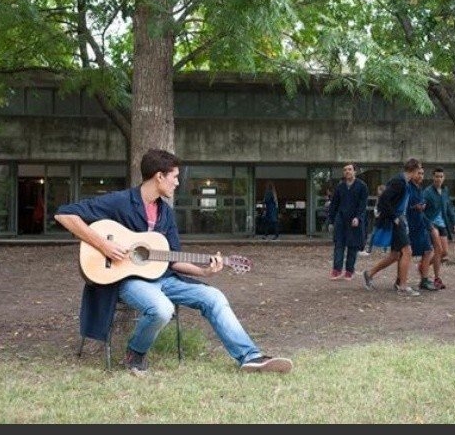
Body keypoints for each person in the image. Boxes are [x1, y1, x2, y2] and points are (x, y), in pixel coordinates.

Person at [55, 149, 292, 375]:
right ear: (159, 176)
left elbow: (173, 260)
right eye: (175, 177)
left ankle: (250, 357)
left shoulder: (165, 213)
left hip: (163, 278)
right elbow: (64, 214)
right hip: (127, 280)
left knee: (214, 297)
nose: (177, 183)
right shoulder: (121, 202)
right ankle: (134, 354)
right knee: (162, 309)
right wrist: (103, 244)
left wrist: (206, 272)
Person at [362, 158, 422, 297]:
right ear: (414, 169)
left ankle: (369, 273)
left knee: (395, 255)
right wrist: (394, 218)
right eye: (419, 170)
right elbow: (383, 199)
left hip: (399, 220)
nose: (420, 172)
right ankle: (403, 286)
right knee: (407, 251)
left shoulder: (404, 182)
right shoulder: (399, 182)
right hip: (397, 221)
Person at [327, 162, 369, 280]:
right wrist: (331, 220)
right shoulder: (340, 187)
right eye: (345, 170)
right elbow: (334, 204)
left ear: (355, 171)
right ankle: (336, 270)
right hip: (341, 219)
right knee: (339, 244)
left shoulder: (362, 186)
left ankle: (349, 271)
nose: (347, 172)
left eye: (349, 169)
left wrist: (358, 217)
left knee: (352, 246)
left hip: (354, 220)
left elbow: (362, 204)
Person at [423, 167, 455, 289]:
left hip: (443, 224)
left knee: (444, 252)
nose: (439, 179)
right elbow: (422, 210)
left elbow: (449, 208)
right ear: (433, 177)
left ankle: (424, 265)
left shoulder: (445, 191)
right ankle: (436, 278)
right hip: (432, 225)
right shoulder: (427, 192)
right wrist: (428, 223)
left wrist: (454, 221)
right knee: (438, 250)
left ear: (444, 178)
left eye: (441, 176)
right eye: (437, 176)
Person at [406, 166, 438, 291]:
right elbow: (404, 205)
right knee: (402, 254)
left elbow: (421, 203)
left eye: (422, 174)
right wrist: (415, 207)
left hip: (420, 224)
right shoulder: (407, 188)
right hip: (410, 224)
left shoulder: (419, 188)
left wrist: (422, 206)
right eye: (418, 173)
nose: (421, 176)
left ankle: (424, 279)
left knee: (428, 250)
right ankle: (399, 279)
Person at [359, 184, 386, 257]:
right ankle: (370, 249)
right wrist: (376, 212)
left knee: (384, 234)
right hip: (378, 219)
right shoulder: (378, 199)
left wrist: (381, 213)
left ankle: (384, 249)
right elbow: (376, 207)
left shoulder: (386, 199)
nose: (378, 192)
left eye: (379, 190)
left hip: (384, 219)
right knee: (374, 234)